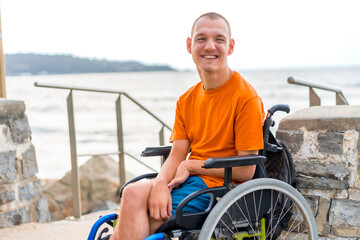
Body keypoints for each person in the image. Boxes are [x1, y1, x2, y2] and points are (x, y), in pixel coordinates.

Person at [110, 12, 265, 240]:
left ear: (230, 46)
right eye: (201, 38)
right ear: (189, 45)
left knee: (148, 214)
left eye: (219, 39)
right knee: (132, 192)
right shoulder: (186, 99)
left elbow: (246, 171)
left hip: (221, 188)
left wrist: (192, 165)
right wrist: (161, 184)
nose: (210, 46)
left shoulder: (245, 98)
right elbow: (177, 155)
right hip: (188, 180)